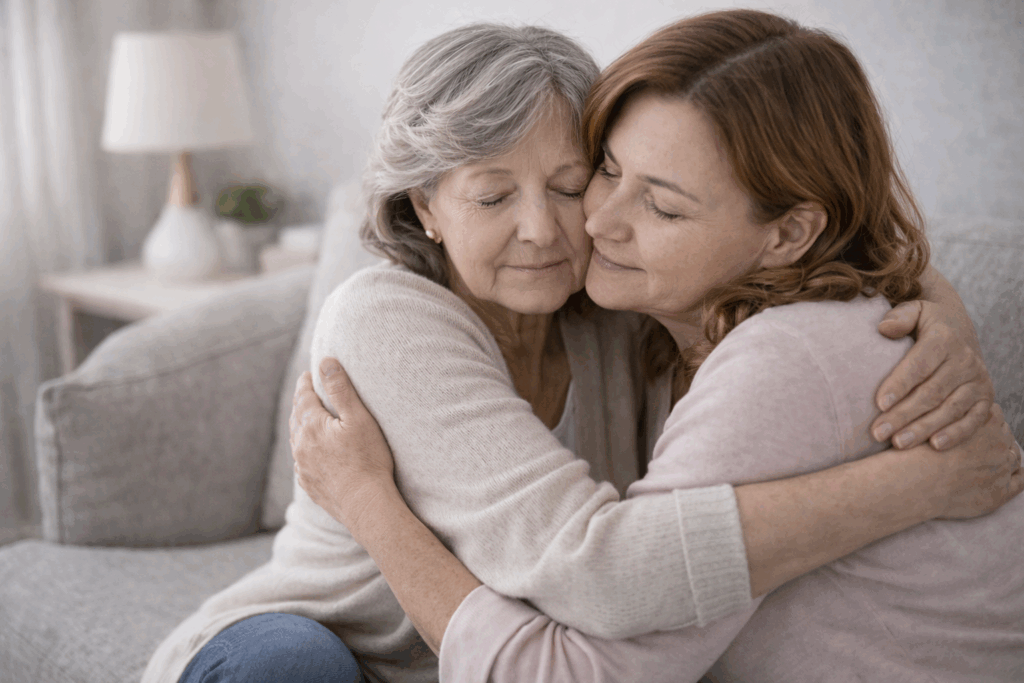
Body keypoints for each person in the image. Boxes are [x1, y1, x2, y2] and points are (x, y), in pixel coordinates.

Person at [145, 21, 1011, 683]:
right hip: (319, 646)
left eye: (570, 183)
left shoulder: (606, 298)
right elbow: (598, 565)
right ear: (426, 208)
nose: (553, 229)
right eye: (492, 196)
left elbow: (789, 256)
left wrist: (937, 307)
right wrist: (918, 482)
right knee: (296, 663)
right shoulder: (386, 317)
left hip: (480, 661)